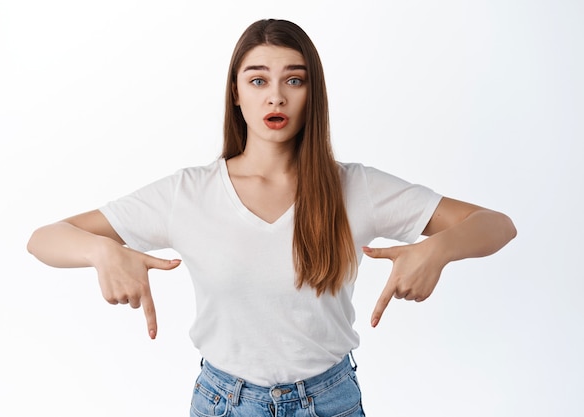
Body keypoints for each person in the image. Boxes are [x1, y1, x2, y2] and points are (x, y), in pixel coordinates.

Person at [27, 18, 516, 417]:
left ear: (312, 93)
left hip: (330, 402)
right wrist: (100, 250)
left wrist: (438, 249)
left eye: (294, 80)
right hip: (224, 404)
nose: (275, 97)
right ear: (236, 95)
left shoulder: (356, 187)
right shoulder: (188, 193)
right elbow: (43, 238)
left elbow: (497, 223)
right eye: (258, 80)